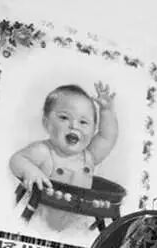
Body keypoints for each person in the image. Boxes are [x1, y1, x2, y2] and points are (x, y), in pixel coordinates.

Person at [9, 82, 118, 232]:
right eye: (64, 117)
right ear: (46, 123)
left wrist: (106, 111)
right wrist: (30, 171)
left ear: (94, 130)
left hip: (75, 228)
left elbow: (107, 137)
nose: (74, 126)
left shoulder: (89, 156)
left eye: (83, 122)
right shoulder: (44, 151)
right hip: (37, 224)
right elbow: (17, 160)